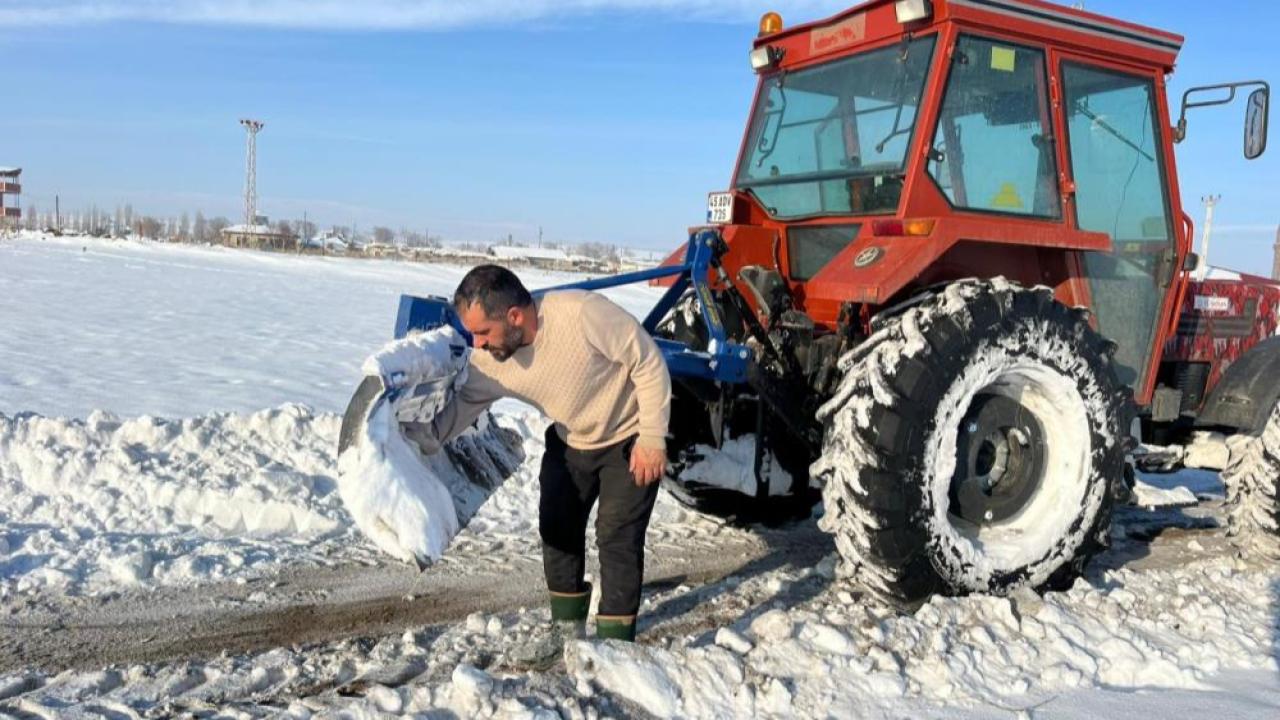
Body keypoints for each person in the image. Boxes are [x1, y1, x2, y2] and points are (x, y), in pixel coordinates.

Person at [407, 263, 671, 667]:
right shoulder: (492, 360)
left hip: (629, 437)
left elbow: (648, 362)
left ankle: (617, 650)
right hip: (573, 441)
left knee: (616, 538)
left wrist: (652, 437)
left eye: (483, 332)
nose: (476, 344)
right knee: (557, 529)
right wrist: (414, 440)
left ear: (515, 316)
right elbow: (463, 407)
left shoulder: (582, 315)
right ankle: (566, 636)